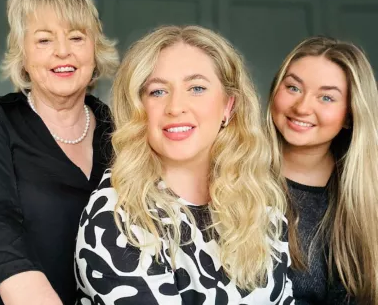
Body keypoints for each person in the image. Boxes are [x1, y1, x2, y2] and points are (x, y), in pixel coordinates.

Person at [74, 25, 294, 305]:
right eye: (157, 92)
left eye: (197, 88)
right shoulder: (115, 215)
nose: (175, 107)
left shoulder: (262, 208)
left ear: (228, 106)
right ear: (138, 109)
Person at [0, 0, 119, 304]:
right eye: (44, 40)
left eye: (76, 37)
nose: (63, 51)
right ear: (23, 54)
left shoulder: (122, 131)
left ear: (94, 48)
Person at [266, 36, 378, 304]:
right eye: (293, 88)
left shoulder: (367, 194)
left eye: (326, 97)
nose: (302, 107)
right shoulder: (231, 173)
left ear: (350, 114)